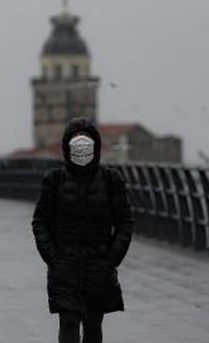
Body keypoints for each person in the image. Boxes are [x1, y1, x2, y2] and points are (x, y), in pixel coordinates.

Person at [32, 117, 134, 343]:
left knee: (93, 324)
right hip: (64, 265)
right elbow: (40, 222)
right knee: (68, 321)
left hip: (98, 265)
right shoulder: (54, 180)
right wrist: (53, 258)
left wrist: (111, 259)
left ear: (96, 148)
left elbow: (125, 221)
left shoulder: (111, 180)